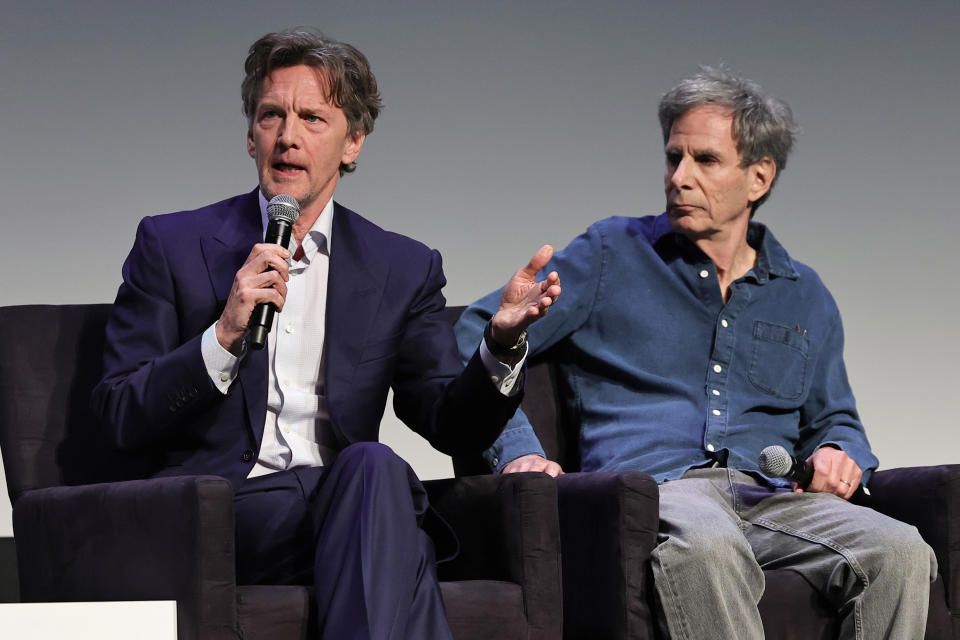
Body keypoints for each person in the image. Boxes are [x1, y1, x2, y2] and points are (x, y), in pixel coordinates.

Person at [91, 28, 560, 639]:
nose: (288, 137)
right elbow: (120, 414)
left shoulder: (401, 267)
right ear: (250, 134)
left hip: (349, 506)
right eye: (271, 116)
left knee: (370, 481)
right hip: (221, 515)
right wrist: (224, 336)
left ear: (353, 143)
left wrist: (499, 346)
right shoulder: (172, 245)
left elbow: (451, 424)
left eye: (312, 118)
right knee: (389, 510)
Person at [454, 67, 936, 638]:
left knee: (901, 548)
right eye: (672, 157)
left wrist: (839, 450)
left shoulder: (804, 295)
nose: (678, 177)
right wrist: (517, 452)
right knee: (708, 543)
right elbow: (483, 325)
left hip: (771, 497)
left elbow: (837, 419)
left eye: (704, 160)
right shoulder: (613, 253)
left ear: (758, 177)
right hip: (655, 492)